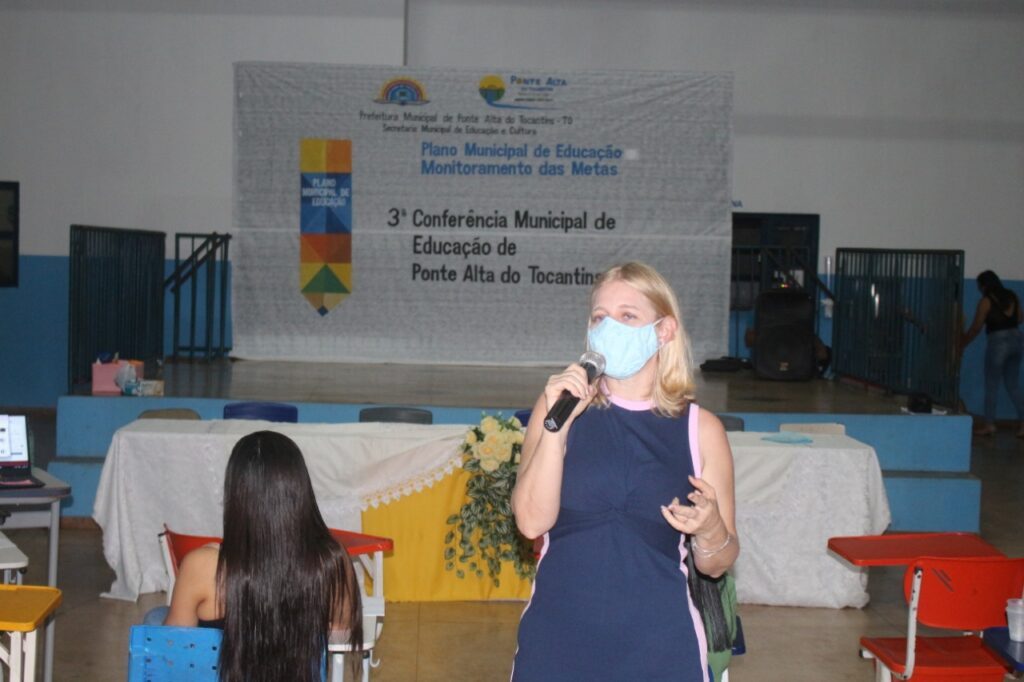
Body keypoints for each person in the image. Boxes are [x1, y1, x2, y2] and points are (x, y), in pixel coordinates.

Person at [511, 262, 739, 682]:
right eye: (599, 317)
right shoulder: (556, 408)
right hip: (557, 641)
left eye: (627, 315)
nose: (609, 327)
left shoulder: (701, 430)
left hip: (661, 648)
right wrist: (557, 432)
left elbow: (718, 563)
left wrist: (710, 530)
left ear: (664, 330)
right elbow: (530, 522)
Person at [164, 430, 363, 682]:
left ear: (235, 493)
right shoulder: (331, 559)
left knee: (156, 617)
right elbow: (341, 630)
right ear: (300, 489)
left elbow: (172, 653)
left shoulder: (201, 565)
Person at [961, 270, 1024, 437]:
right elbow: (1020, 319)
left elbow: (976, 327)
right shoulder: (1012, 296)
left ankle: (989, 425)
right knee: (1013, 385)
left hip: (998, 342)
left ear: (984, 286)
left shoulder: (986, 301)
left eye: (979, 286)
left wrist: (962, 343)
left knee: (992, 386)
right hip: (1017, 340)